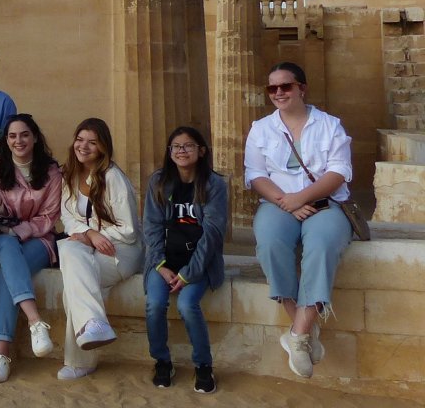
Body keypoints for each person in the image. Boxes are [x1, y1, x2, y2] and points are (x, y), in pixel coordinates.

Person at [245, 61, 353, 379]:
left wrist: (300, 199)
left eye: (285, 86)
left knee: (321, 245)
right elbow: (255, 175)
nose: (279, 92)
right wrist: (286, 203)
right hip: (279, 205)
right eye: (272, 88)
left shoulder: (330, 125)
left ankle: (297, 334)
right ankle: (304, 331)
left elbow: (339, 171)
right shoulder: (261, 128)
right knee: (270, 244)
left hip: (325, 204)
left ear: (301, 88)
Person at [56, 118, 143, 381]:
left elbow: (129, 229)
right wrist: (88, 234)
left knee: (75, 285)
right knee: (69, 251)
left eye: (92, 142)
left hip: (120, 249)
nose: (84, 146)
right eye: (80, 140)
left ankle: (80, 362)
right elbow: (67, 217)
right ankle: (94, 325)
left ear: (103, 147)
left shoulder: (113, 177)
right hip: (89, 244)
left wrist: (97, 235)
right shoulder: (70, 175)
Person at [143, 126, 227, 393]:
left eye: (188, 146)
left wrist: (188, 273)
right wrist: (161, 265)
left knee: (188, 305)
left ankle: (203, 366)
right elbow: (152, 227)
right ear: (169, 152)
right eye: (176, 147)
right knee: (155, 304)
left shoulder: (214, 184)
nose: (181, 151)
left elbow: (212, 234)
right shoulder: (158, 181)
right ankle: (162, 361)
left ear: (201, 151)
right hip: (164, 261)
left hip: (199, 262)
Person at [0, 114, 61, 383]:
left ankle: (0, 354)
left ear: (35, 137)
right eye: (13, 136)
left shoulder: (51, 171)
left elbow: (49, 216)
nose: (19, 141)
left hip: (38, 241)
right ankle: (35, 320)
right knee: (6, 245)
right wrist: (0, 208)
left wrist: (18, 230)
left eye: (24, 134)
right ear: (6, 139)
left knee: (9, 271)